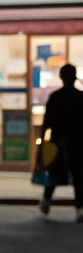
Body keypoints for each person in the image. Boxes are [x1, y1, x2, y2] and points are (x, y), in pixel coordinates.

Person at [40, 64, 83, 222]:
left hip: (57, 142)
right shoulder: (81, 97)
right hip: (78, 143)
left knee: (54, 173)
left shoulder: (55, 97)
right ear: (75, 77)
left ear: (61, 77)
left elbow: (46, 123)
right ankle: (79, 208)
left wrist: (41, 143)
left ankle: (46, 201)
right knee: (79, 176)